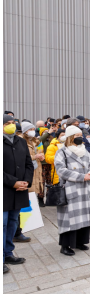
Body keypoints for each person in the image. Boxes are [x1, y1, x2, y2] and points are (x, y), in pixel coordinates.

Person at [54, 125, 90, 256]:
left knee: (83, 216)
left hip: (85, 190)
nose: (80, 138)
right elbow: (61, 171)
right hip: (71, 189)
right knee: (69, 218)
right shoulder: (62, 152)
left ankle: (80, 241)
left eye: (80, 136)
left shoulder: (85, 151)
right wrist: (82, 177)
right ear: (71, 137)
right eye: (77, 136)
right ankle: (65, 245)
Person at [3, 114, 33, 273]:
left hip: (20, 190)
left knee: (13, 222)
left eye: (12, 122)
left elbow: (29, 164)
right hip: (5, 190)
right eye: (6, 123)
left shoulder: (21, 141)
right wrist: (13, 182)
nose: (11, 125)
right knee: (3, 223)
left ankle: (8, 253)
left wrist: (26, 182)